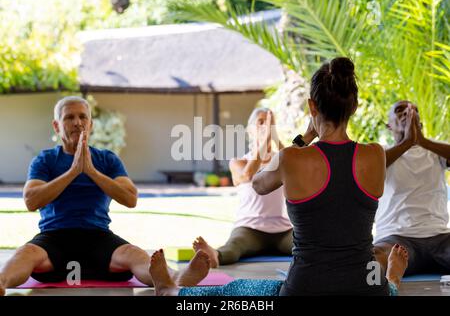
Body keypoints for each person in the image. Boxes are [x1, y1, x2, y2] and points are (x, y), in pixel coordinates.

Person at [149, 57, 408, 296]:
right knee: (387, 290)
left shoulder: (292, 157)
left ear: (312, 107)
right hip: (366, 288)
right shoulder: (376, 155)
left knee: (237, 291)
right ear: (355, 106)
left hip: (304, 289)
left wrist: (305, 137)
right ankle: (393, 277)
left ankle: (170, 292)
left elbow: (259, 182)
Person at [0, 96, 210, 296]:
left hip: (98, 236)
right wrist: (72, 172)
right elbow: (31, 200)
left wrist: (91, 171)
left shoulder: (107, 160)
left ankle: (177, 277)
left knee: (133, 253)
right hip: (54, 237)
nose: (77, 122)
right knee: (25, 253)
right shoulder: (45, 160)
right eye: (69, 117)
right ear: (56, 126)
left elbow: (130, 198)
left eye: (83, 117)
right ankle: (1, 282)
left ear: (90, 125)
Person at [193, 108, 296, 268]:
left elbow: (295, 164)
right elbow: (248, 175)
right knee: (233, 248)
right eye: (260, 122)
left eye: (269, 123)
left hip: (283, 230)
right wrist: (264, 143)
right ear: (250, 130)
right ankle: (214, 255)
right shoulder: (238, 162)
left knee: (306, 245)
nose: (265, 127)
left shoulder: (282, 159)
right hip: (250, 228)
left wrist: (274, 139)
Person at [373, 100, 450, 275]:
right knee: (371, 264)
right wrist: (407, 143)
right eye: (400, 110)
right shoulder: (379, 152)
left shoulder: (435, 152)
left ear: (419, 122)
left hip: (440, 238)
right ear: (389, 125)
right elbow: (370, 167)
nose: (407, 113)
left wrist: (421, 141)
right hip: (395, 239)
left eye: (414, 110)